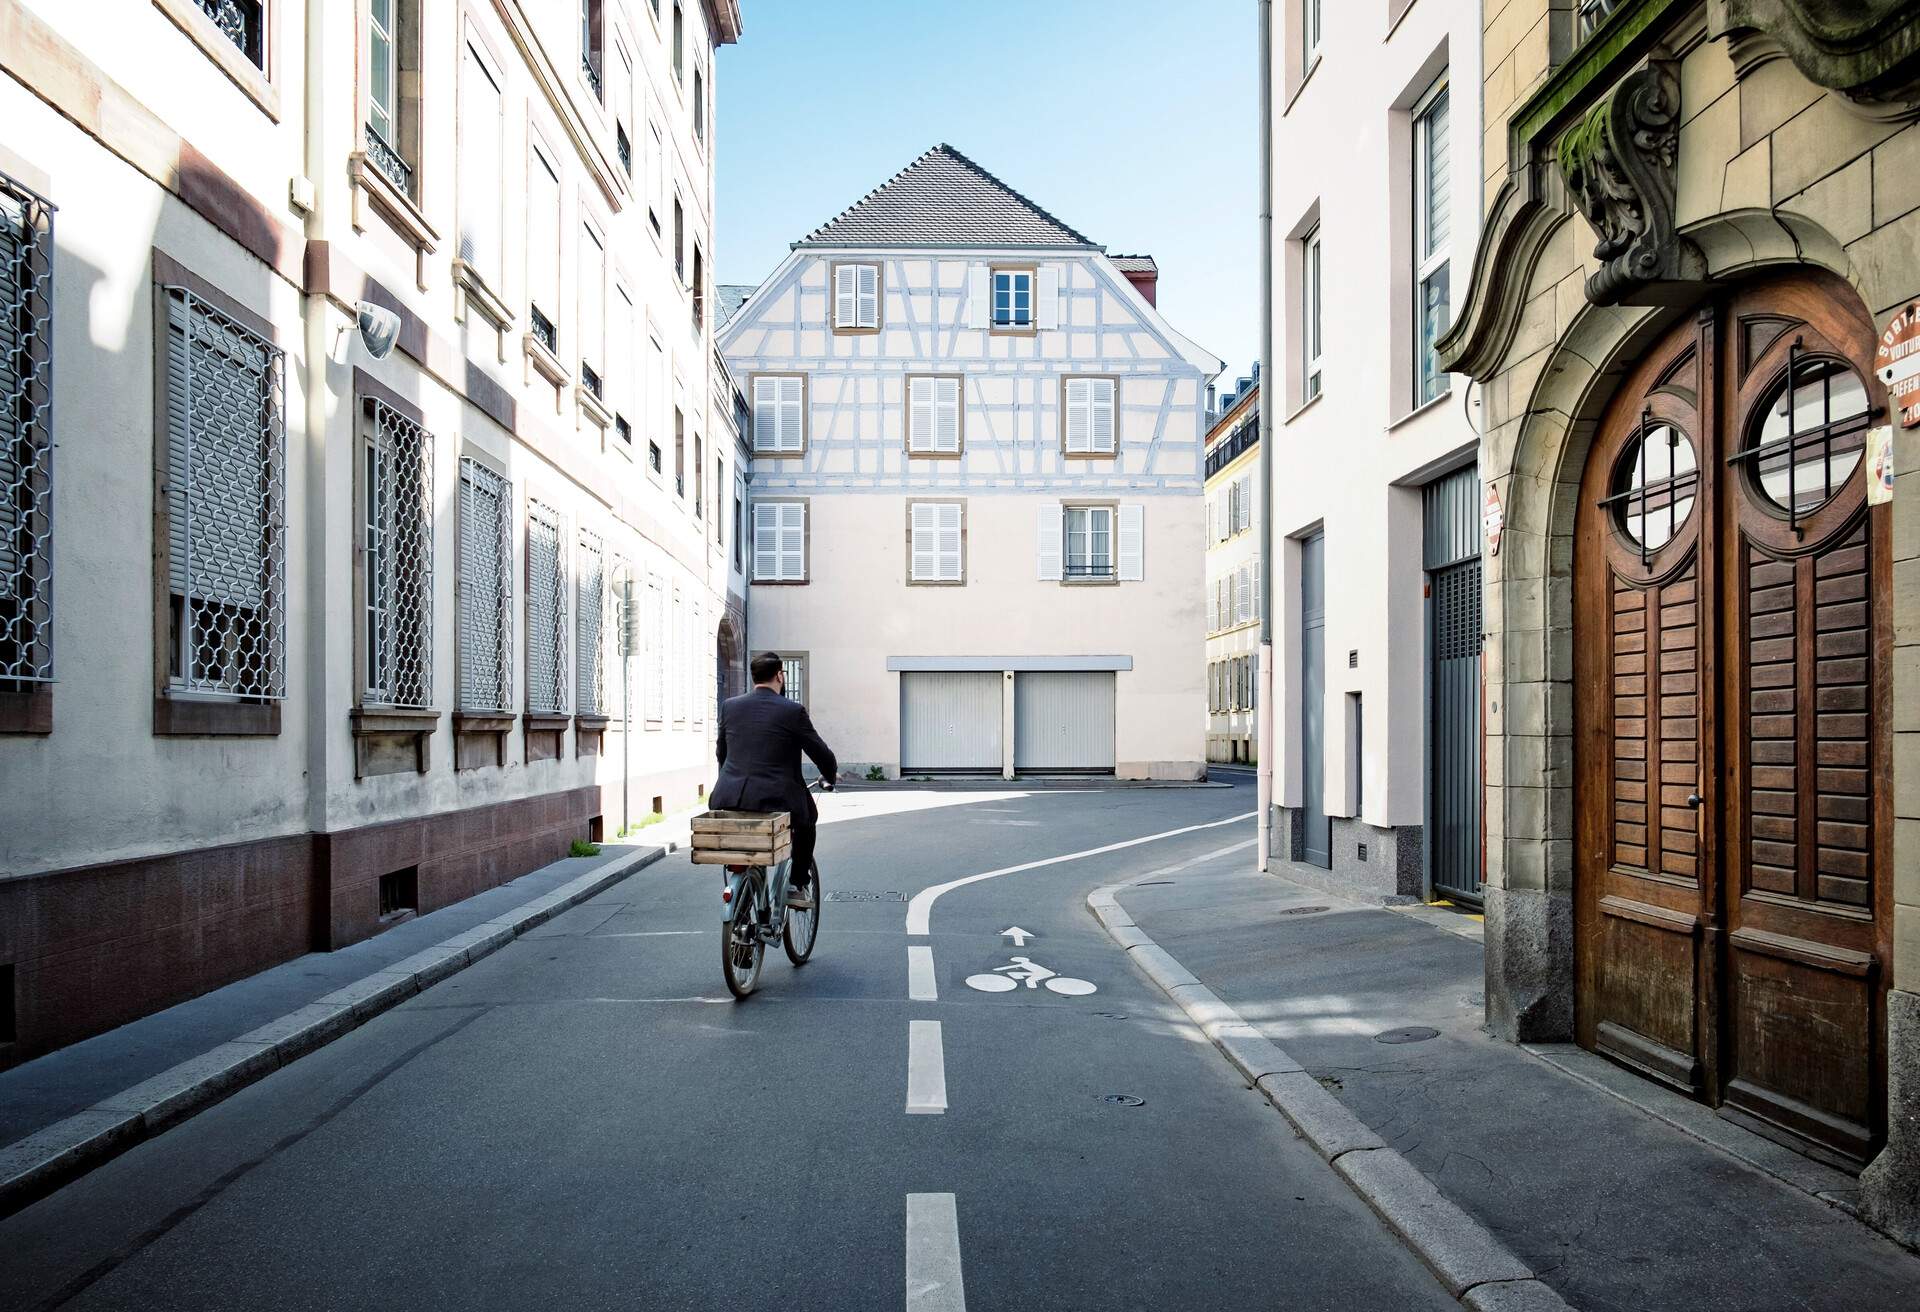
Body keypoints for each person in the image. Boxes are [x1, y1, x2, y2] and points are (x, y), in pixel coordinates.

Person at [711, 651, 838, 908]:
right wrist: (829, 774)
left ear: (753, 677)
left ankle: (744, 892)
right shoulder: (792, 711)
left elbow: (721, 753)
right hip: (777, 797)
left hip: (730, 794)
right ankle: (797, 884)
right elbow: (820, 752)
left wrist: (730, 779)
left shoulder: (730, 706)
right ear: (780, 676)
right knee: (807, 821)